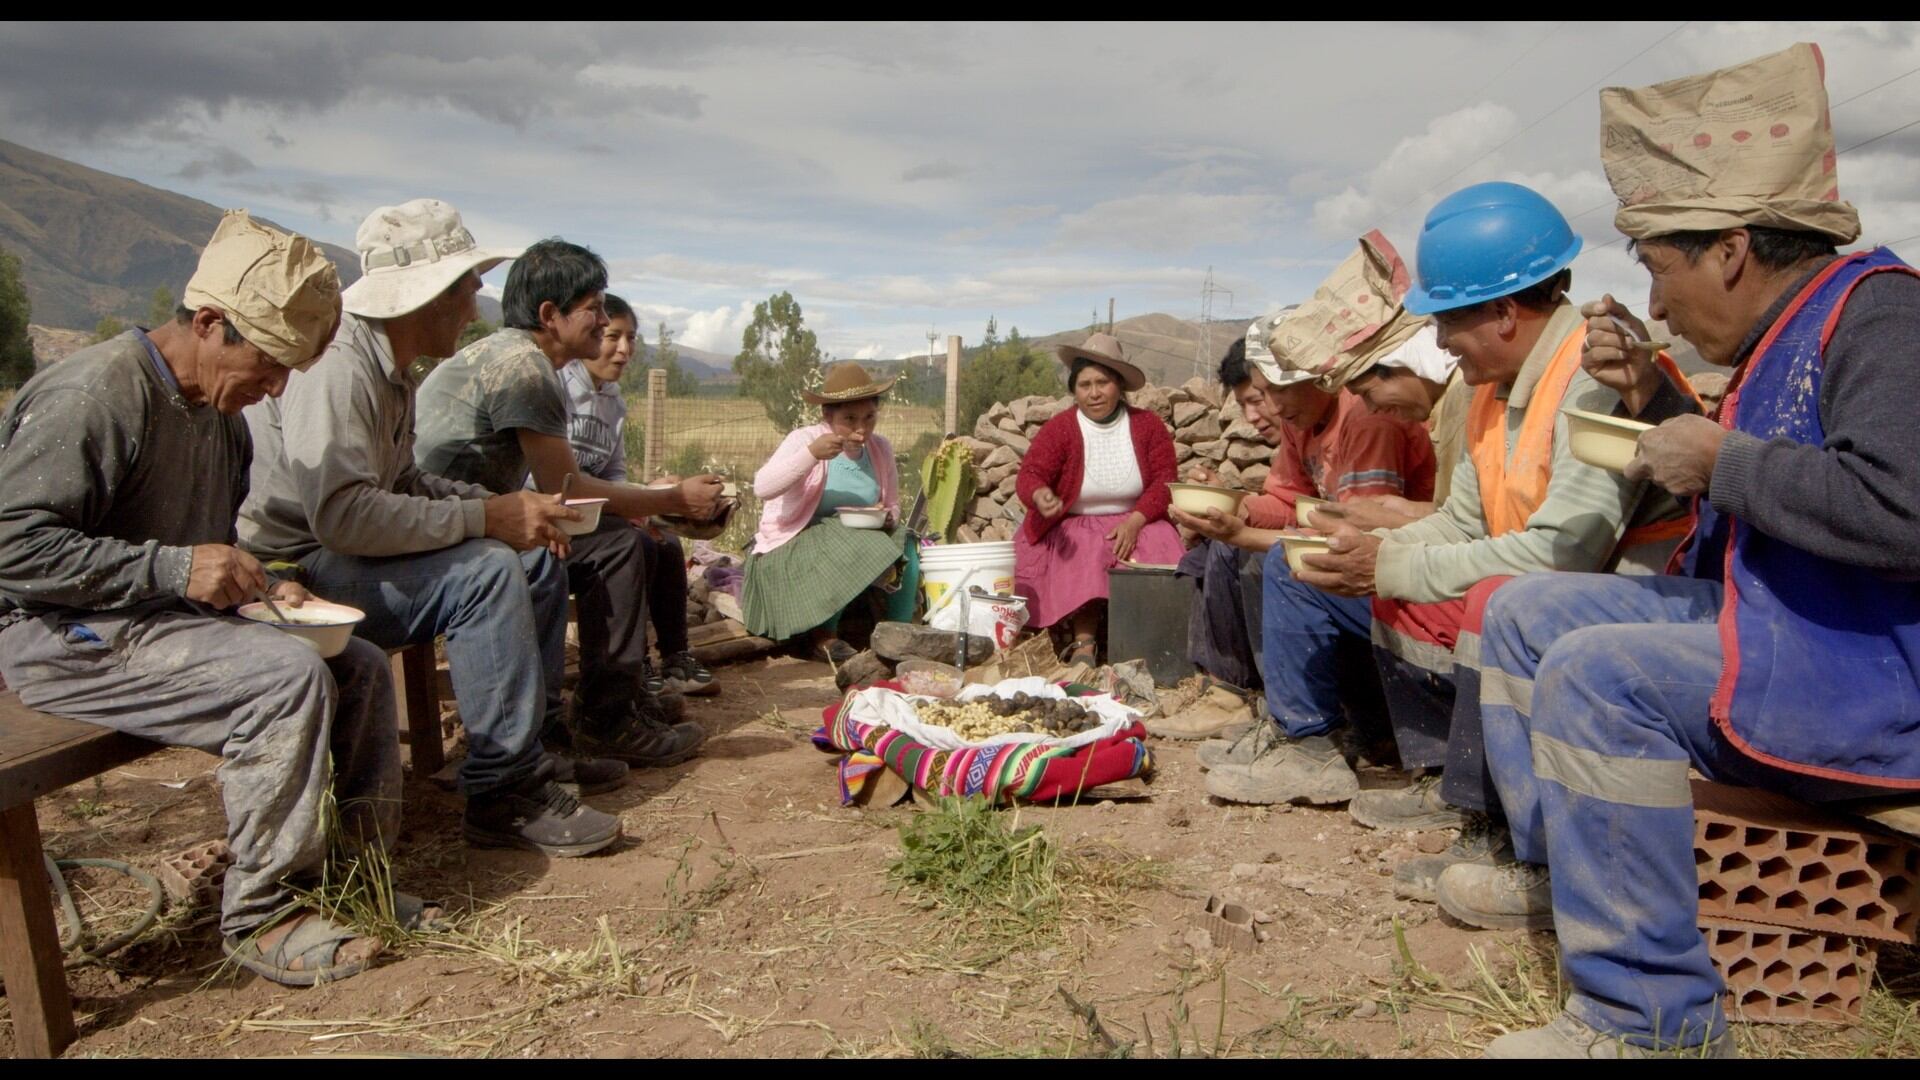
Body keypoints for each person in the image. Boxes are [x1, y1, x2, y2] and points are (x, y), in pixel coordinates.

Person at [1457, 42, 1920, 1058]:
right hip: (1785, 625)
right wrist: (1656, 400)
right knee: (1522, 612)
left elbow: (1901, 510)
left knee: (1599, 672)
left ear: (1731, 250)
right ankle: (1561, 876)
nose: (1658, 303)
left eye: (1662, 272)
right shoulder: (1788, 331)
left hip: (1868, 667)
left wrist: (1719, 461)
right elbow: (1770, 472)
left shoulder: (1885, 319)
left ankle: (1647, 1015)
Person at [1189, 199, 1693, 880]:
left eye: (1449, 322)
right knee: (1343, 574)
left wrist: (1391, 564)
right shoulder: (1492, 387)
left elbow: (1563, 554)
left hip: (1617, 601)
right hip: (1527, 584)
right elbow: (1464, 521)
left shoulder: (1590, 378)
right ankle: (1427, 782)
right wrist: (1372, 558)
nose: (1443, 343)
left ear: (1505, 314)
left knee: (1491, 606)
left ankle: (1509, 832)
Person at [0, 211, 414, 986]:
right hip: (62, 637)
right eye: (268, 362)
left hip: (156, 626)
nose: (277, 387)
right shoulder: (95, 394)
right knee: (283, 680)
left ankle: (353, 885)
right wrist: (175, 571)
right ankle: (265, 914)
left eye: (292, 369)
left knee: (354, 665)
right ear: (210, 322)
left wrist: (255, 579)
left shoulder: (222, 422)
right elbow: (12, 550)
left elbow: (198, 551)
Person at [240, 200, 628, 858]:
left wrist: (512, 513)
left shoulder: (392, 369)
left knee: (530, 559)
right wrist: (487, 517)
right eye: (470, 291)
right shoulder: (341, 366)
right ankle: (502, 793)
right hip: (295, 574)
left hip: (342, 553)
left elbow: (407, 485)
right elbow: (342, 517)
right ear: (431, 297)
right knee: (486, 572)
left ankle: (527, 751)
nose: (476, 309)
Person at [413, 237, 720, 768]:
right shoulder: (523, 367)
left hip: (469, 519)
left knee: (626, 543)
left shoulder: (518, 359)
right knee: (616, 548)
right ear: (550, 315)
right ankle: (603, 720)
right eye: (594, 308)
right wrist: (671, 496)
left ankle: (590, 712)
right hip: (445, 529)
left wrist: (656, 506)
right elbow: (568, 491)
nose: (604, 321)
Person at [1172, 310, 1435, 722]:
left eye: (1273, 392)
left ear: (1318, 374)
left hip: (1393, 564)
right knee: (1218, 551)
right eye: (1262, 394)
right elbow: (1285, 500)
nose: (1271, 408)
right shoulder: (1302, 420)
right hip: (1347, 542)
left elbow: (1355, 536)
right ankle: (1233, 692)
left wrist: (1241, 534)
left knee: (1276, 563)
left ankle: (1309, 727)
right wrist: (1230, 505)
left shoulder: (1367, 420)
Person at [552, 293, 716, 697]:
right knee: (636, 544)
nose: (624, 350)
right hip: (559, 517)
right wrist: (662, 500)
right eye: (613, 336)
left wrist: (650, 501)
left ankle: (676, 656)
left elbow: (614, 474)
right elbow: (552, 481)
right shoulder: (557, 388)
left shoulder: (613, 401)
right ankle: (633, 664)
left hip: (598, 514)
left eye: (631, 338)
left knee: (666, 544)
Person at [1013, 333, 1185, 665]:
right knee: (1082, 547)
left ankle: (1149, 642)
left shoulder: (1147, 426)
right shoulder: (1061, 428)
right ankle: (1084, 644)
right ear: (1074, 390)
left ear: (1119, 385)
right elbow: (1030, 474)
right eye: (1084, 385)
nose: (1094, 393)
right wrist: (1040, 494)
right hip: (1074, 520)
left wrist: (1136, 521)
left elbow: (1165, 481)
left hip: (1137, 518)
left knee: (1162, 544)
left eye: (1102, 382)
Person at [742, 362, 912, 664]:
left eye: (869, 417)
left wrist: (888, 516)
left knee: (907, 542)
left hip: (857, 539)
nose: (862, 429)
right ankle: (825, 638)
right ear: (827, 415)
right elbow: (763, 487)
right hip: (794, 545)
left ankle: (902, 632)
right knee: (842, 539)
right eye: (849, 419)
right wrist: (811, 456)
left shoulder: (879, 449)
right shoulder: (805, 441)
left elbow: (894, 504)